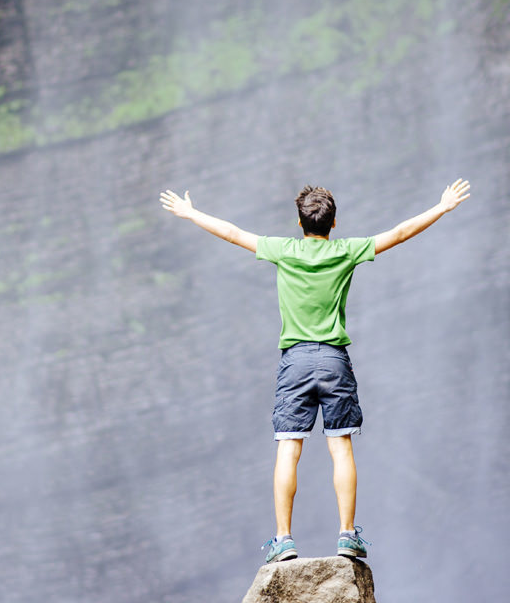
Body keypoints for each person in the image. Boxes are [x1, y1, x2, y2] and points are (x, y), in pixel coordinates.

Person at [158, 179, 471, 563]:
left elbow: (233, 232)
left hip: (295, 361)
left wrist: (190, 213)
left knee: (289, 449)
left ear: (300, 223)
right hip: (335, 360)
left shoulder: (283, 250)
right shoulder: (346, 251)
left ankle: (283, 539)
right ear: (334, 223)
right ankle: (346, 536)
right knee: (340, 447)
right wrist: (442, 207)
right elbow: (400, 233)